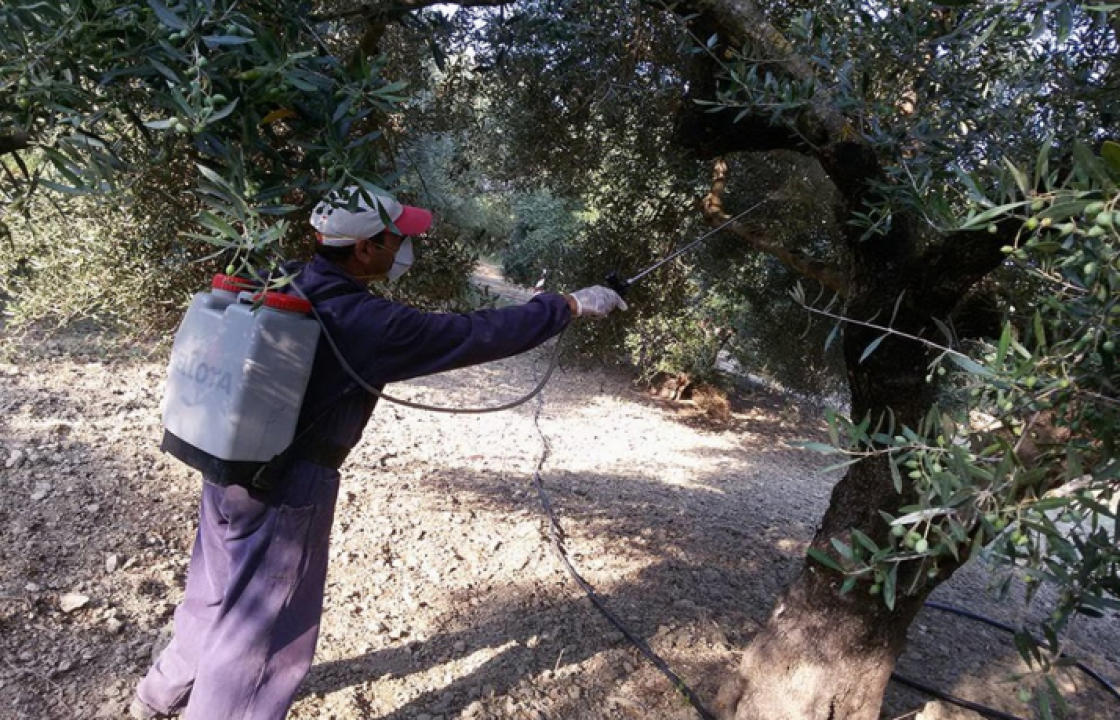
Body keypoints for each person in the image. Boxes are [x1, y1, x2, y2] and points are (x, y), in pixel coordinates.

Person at [130, 188, 627, 719]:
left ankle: (158, 695)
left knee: (213, 591)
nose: (405, 246)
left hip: (225, 463)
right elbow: (476, 334)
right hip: (290, 484)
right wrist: (568, 305)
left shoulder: (284, 277)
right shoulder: (368, 322)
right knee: (264, 632)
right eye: (398, 237)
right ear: (365, 248)